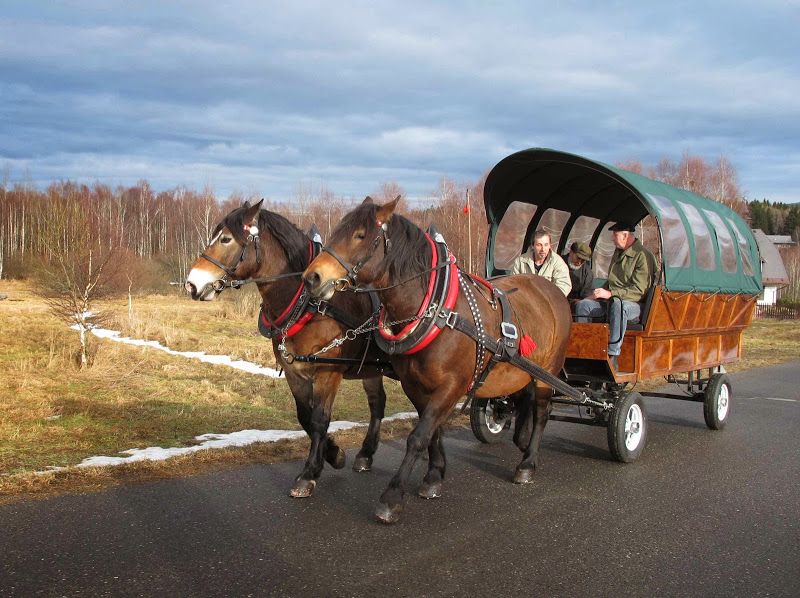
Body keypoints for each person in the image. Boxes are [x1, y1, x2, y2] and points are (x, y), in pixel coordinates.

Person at [574, 222, 657, 369]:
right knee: (583, 305)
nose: (612, 238)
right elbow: (612, 281)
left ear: (625, 235)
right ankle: (584, 351)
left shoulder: (643, 256)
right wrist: (597, 294)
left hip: (635, 306)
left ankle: (612, 355)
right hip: (612, 301)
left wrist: (611, 294)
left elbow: (639, 290)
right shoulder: (618, 252)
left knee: (620, 306)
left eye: (615, 235)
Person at [512, 229, 571, 296]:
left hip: (549, 302)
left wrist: (545, 297)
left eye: (546, 245)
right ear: (532, 246)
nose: (543, 249)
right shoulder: (520, 261)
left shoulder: (558, 262)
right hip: (526, 300)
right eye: (539, 245)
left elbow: (564, 286)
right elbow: (513, 285)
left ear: (550, 245)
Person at [564, 241, 593, 306]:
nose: (579, 262)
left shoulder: (587, 273)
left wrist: (580, 301)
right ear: (571, 252)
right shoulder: (559, 262)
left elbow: (586, 295)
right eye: (578, 258)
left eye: (583, 260)